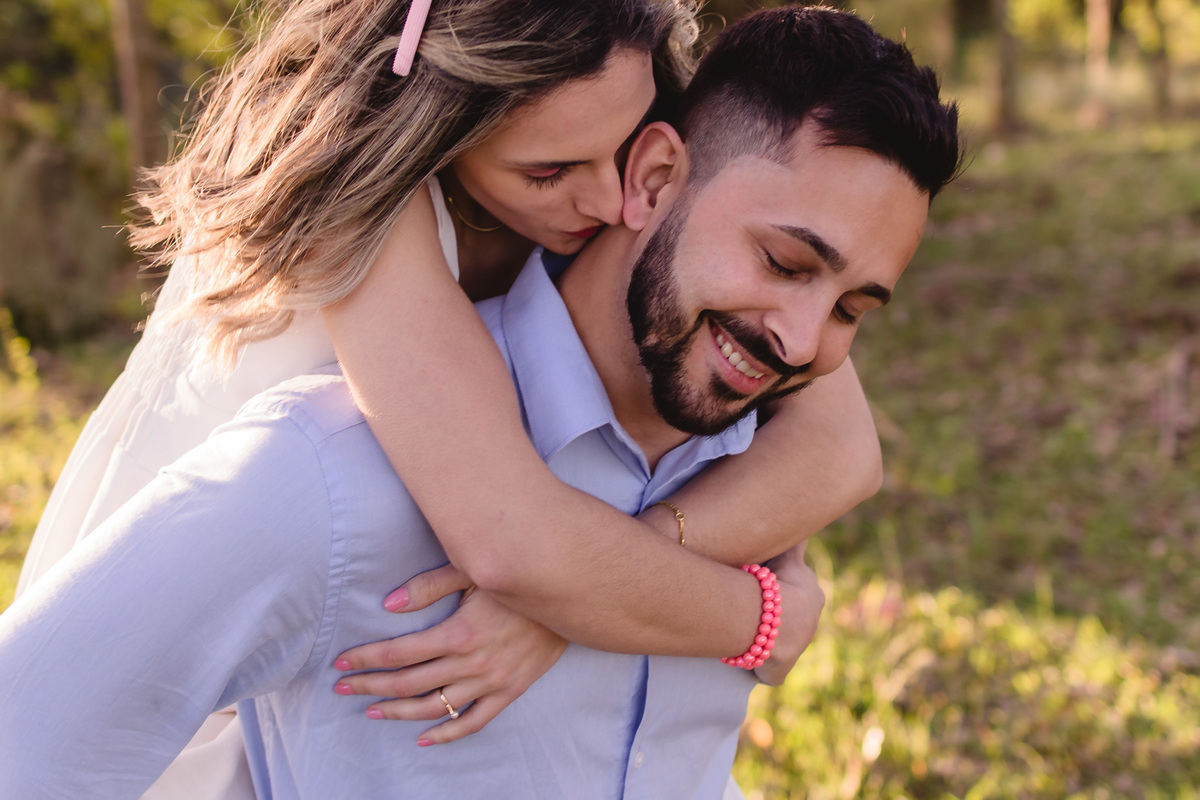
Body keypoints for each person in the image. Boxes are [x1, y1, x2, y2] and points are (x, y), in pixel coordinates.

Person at [0, 6, 962, 798]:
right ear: (447, 127)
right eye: (549, 172)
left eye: (623, 155)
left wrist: (595, 593)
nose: (603, 201)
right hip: (198, 667)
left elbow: (843, 452)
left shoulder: (629, 114)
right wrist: (754, 615)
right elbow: (511, 540)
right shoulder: (363, 193)